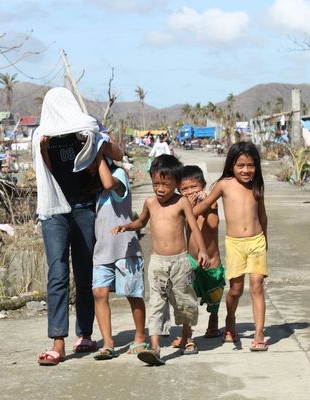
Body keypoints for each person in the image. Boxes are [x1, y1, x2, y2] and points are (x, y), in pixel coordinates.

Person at [34, 87, 123, 366]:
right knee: (58, 272)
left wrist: (98, 139)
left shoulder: (88, 124)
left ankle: (85, 333)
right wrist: (46, 147)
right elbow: (46, 171)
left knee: (85, 270)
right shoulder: (41, 133)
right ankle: (57, 342)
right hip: (54, 212)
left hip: (85, 207)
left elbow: (117, 154)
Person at [113, 154, 209, 366]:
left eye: (166, 184)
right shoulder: (149, 202)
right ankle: (155, 348)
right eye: (156, 183)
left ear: (176, 183)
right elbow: (141, 222)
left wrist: (202, 250)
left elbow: (193, 226)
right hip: (157, 263)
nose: (160, 189)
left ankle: (188, 337)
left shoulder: (182, 202)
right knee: (157, 304)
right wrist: (127, 226)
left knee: (183, 302)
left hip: (180, 262)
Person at [193, 141, 269, 351]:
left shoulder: (257, 185)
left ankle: (259, 334)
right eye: (241, 165)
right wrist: (185, 214)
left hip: (256, 241)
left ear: (257, 166)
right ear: (232, 166)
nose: (246, 170)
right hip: (235, 244)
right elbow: (206, 204)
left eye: (251, 165)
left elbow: (262, 216)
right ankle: (231, 320)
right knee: (235, 290)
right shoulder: (224, 184)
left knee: (256, 286)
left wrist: (266, 241)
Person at [91, 145, 146, 360]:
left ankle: (140, 337)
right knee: (99, 293)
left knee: (133, 294)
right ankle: (108, 343)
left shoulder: (119, 174)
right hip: (102, 250)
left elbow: (108, 183)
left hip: (125, 248)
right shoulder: (94, 189)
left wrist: (97, 155)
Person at [170, 165, 225, 347]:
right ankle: (187, 332)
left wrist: (206, 205)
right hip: (191, 260)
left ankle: (214, 319)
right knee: (187, 295)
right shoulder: (183, 207)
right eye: (184, 189)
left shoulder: (211, 204)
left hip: (211, 260)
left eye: (194, 187)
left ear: (203, 185)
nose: (189, 192)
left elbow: (213, 224)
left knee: (214, 294)